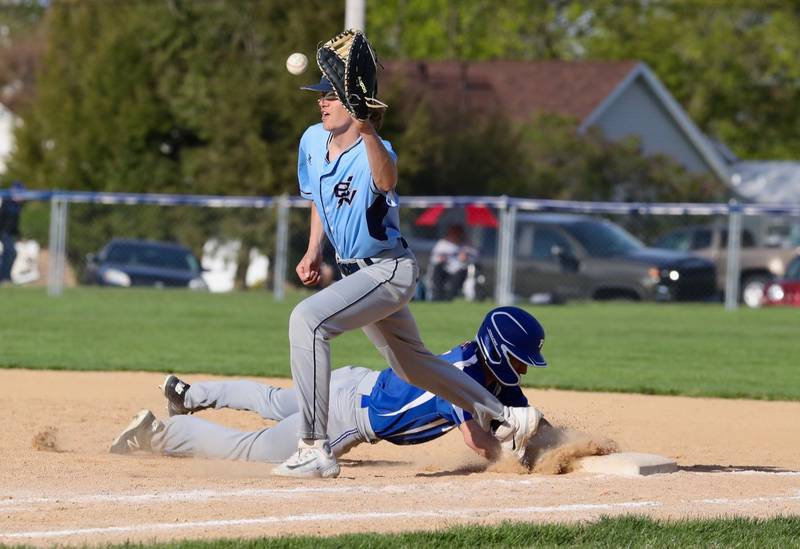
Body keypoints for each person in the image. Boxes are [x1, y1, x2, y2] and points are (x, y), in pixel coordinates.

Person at [275, 55, 541, 478]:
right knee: (412, 364)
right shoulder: (310, 140)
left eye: (329, 96)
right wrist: (313, 250)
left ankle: (313, 446)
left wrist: (368, 132)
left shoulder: (374, 150)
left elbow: (386, 181)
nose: (321, 104)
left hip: (387, 271)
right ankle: (508, 417)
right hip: (352, 272)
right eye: (319, 96)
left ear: (352, 103)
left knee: (307, 321)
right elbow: (318, 200)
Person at [109, 307, 552, 468]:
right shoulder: (468, 375)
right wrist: (519, 459)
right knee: (248, 450)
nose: (524, 371)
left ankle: (187, 396)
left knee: (273, 400)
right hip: (347, 418)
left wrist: (556, 441)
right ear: (498, 350)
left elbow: (519, 412)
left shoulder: (489, 372)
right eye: (519, 359)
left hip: (353, 381)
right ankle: (155, 433)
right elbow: (477, 440)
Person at [429, 224, 479, 301]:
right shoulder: (443, 244)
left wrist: (466, 258)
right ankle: (437, 296)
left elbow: (475, 257)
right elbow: (433, 258)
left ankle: (449, 297)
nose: (456, 236)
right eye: (454, 233)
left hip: (459, 271)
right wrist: (440, 258)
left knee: (461, 272)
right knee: (437, 268)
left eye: (458, 233)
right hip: (445, 269)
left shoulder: (467, 245)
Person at [0, 181, 24, 284]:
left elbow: (14, 225)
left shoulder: (17, 206)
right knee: (10, 253)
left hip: (7, 233)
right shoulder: (8, 204)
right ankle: (4, 278)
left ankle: (5, 277)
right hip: (3, 233)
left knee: (9, 253)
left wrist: (19, 235)